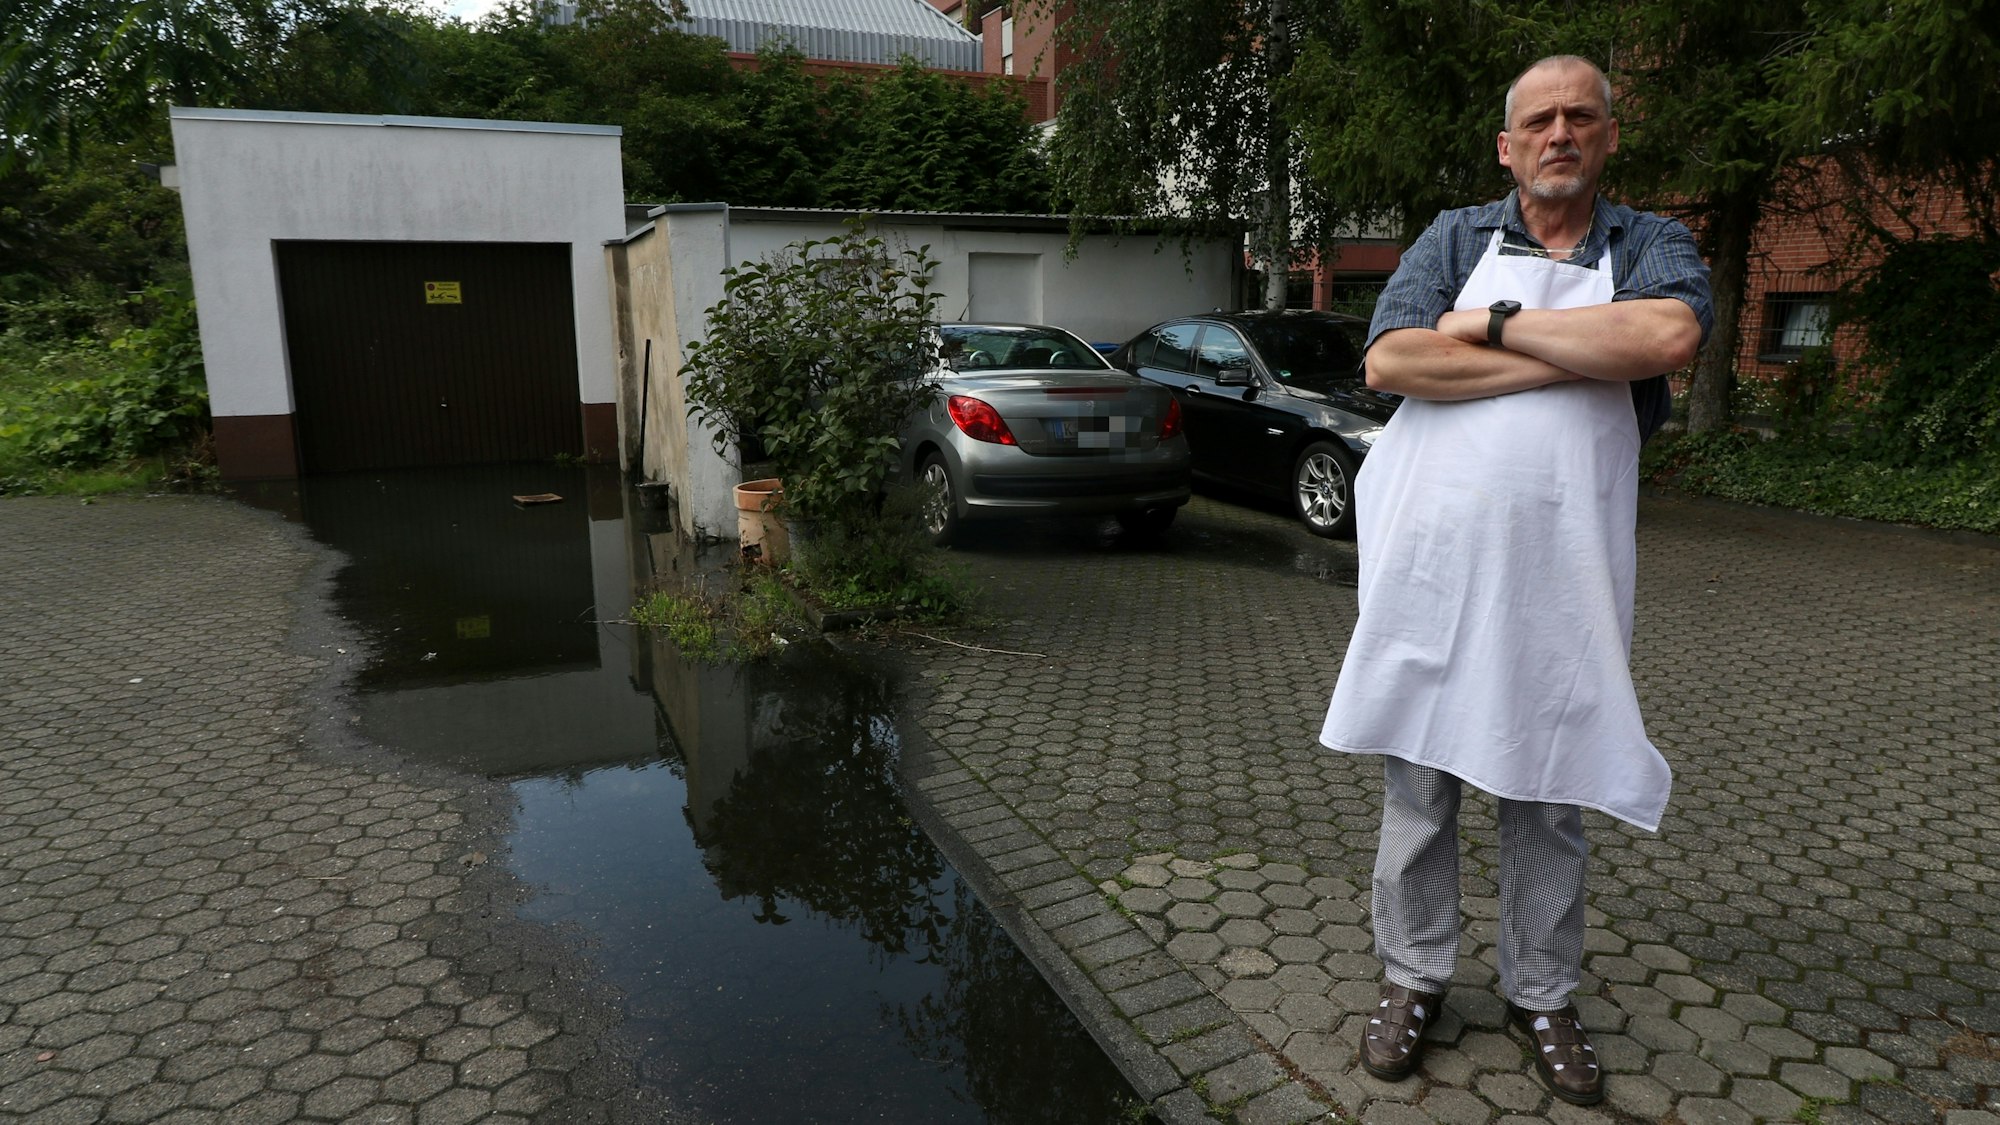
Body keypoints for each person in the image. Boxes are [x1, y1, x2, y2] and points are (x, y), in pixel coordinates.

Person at [1318, 55, 1713, 1106]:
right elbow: (1392, 361)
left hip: (1562, 580)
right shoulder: (1455, 237)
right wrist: (1580, 354)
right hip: (1435, 570)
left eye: (1579, 116)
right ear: (1507, 145)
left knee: (1549, 789)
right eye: (1538, 120)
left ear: (1607, 136)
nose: (1558, 133)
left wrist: (1486, 327)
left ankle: (1541, 993)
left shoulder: (1648, 243)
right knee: (1418, 787)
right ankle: (1412, 976)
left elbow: (1667, 333)